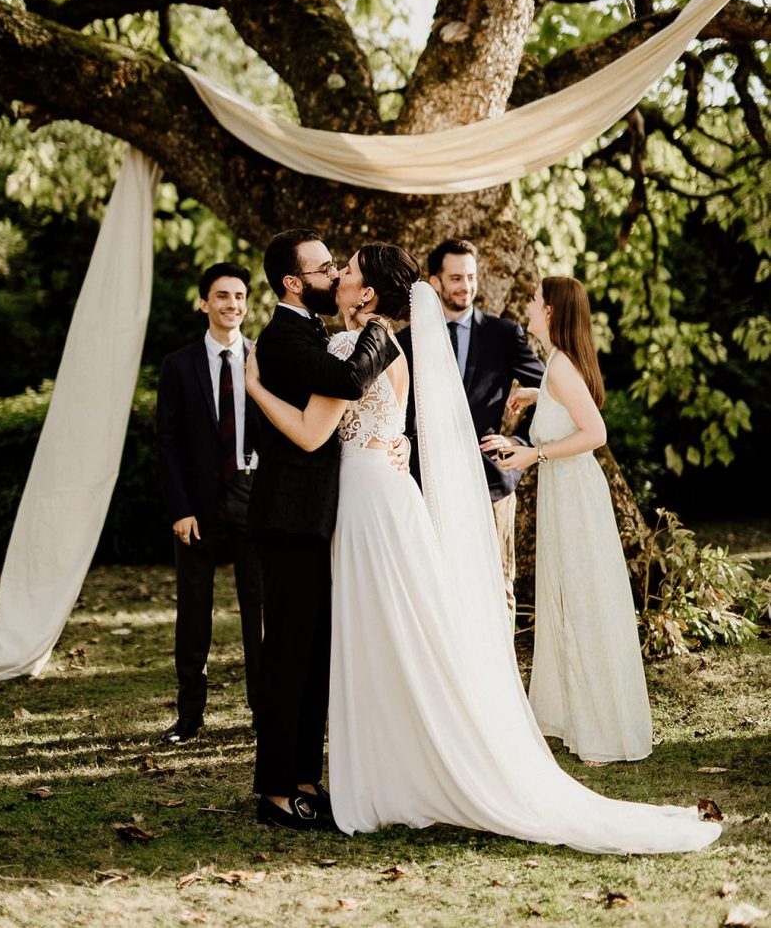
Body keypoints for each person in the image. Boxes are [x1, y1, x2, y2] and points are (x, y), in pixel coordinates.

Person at [246, 243, 721, 854]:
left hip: (369, 505)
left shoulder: (351, 346)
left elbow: (317, 431)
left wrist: (255, 387)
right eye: (333, 268)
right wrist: (400, 449)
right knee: (393, 634)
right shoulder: (383, 343)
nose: (338, 274)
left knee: (382, 633)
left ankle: (390, 773)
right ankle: (389, 770)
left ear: (367, 293)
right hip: (379, 496)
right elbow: (386, 424)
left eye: (350, 270)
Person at [247, 228, 400, 832]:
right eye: (323, 268)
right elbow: (343, 386)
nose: (335, 275)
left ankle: (306, 777)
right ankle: (276, 790)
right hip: (289, 519)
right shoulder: (284, 335)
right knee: (287, 654)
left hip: (319, 518)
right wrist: (382, 331)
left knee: (313, 655)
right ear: (293, 282)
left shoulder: (312, 332)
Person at [487, 277, 653, 764]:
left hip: (577, 499)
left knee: (583, 601)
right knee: (567, 599)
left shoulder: (559, 368)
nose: (530, 307)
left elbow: (595, 432)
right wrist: (539, 397)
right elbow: (569, 403)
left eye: (537, 302)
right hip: (568, 495)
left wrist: (532, 454)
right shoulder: (557, 368)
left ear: (553, 313)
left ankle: (601, 731)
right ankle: (576, 715)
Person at [397, 238, 543, 622]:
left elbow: (550, 393)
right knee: (433, 586)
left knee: (499, 585)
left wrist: (518, 441)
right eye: (456, 278)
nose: (466, 286)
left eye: (471, 277)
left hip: (490, 479)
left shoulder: (503, 335)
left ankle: (503, 680)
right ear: (435, 282)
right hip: (425, 481)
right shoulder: (406, 341)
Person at [157, 262, 263, 744]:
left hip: (251, 493)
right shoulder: (178, 365)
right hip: (197, 504)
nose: (232, 305)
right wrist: (180, 508)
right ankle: (189, 716)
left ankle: (264, 712)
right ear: (204, 303)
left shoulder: (262, 358)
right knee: (194, 611)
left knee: (258, 610)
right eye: (222, 296)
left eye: (239, 296)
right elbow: (168, 442)